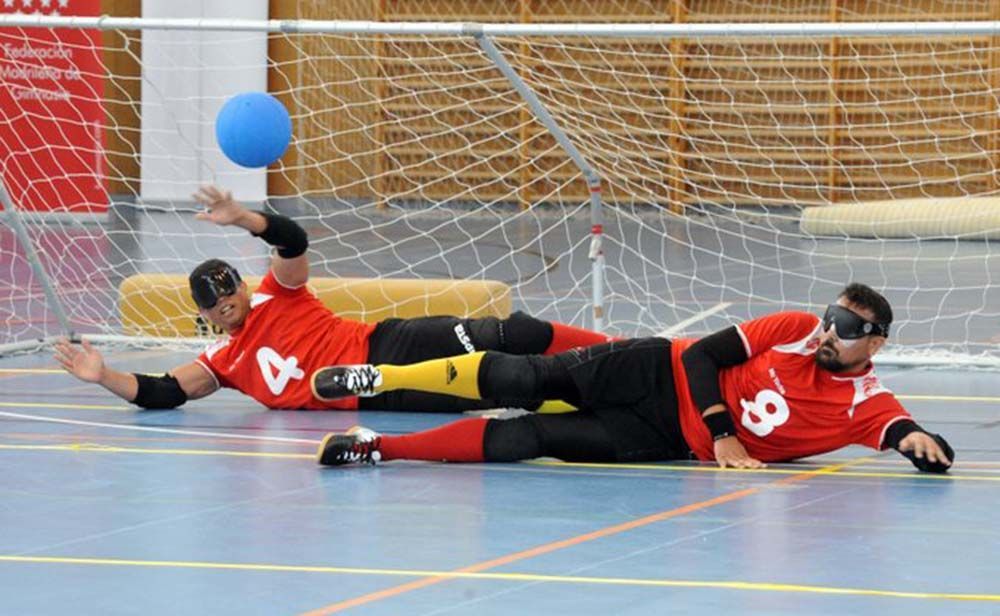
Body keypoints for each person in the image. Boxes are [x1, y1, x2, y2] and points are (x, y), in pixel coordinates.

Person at [53, 185, 610, 412]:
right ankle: (611, 395)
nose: (225, 307)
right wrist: (103, 375)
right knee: (510, 383)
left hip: (386, 344)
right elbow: (165, 391)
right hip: (372, 396)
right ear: (202, 314)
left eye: (229, 294)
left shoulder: (276, 294)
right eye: (214, 306)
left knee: (513, 333)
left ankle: (619, 350)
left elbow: (293, 241)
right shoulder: (222, 361)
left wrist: (245, 219)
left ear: (242, 287)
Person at [312, 283, 954, 473]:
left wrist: (925, 446)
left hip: (664, 439)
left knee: (527, 440)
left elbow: (915, 439)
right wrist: (724, 434)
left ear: (875, 342)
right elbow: (701, 358)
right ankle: (381, 376)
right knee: (524, 379)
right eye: (829, 317)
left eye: (846, 327)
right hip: (656, 370)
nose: (827, 332)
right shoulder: (790, 329)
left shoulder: (867, 402)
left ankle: (379, 447)